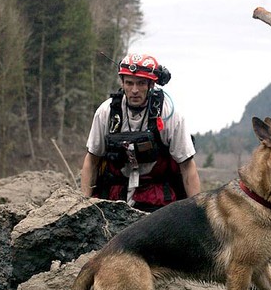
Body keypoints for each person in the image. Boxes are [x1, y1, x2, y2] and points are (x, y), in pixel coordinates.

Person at [81, 53, 200, 211]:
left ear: (151, 84)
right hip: (114, 192)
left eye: (141, 83)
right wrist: (84, 205)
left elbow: (186, 166)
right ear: (122, 83)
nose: (134, 90)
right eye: (129, 83)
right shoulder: (106, 112)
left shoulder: (169, 114)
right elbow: (92, 160)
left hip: (157, 195)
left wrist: (197, 211)